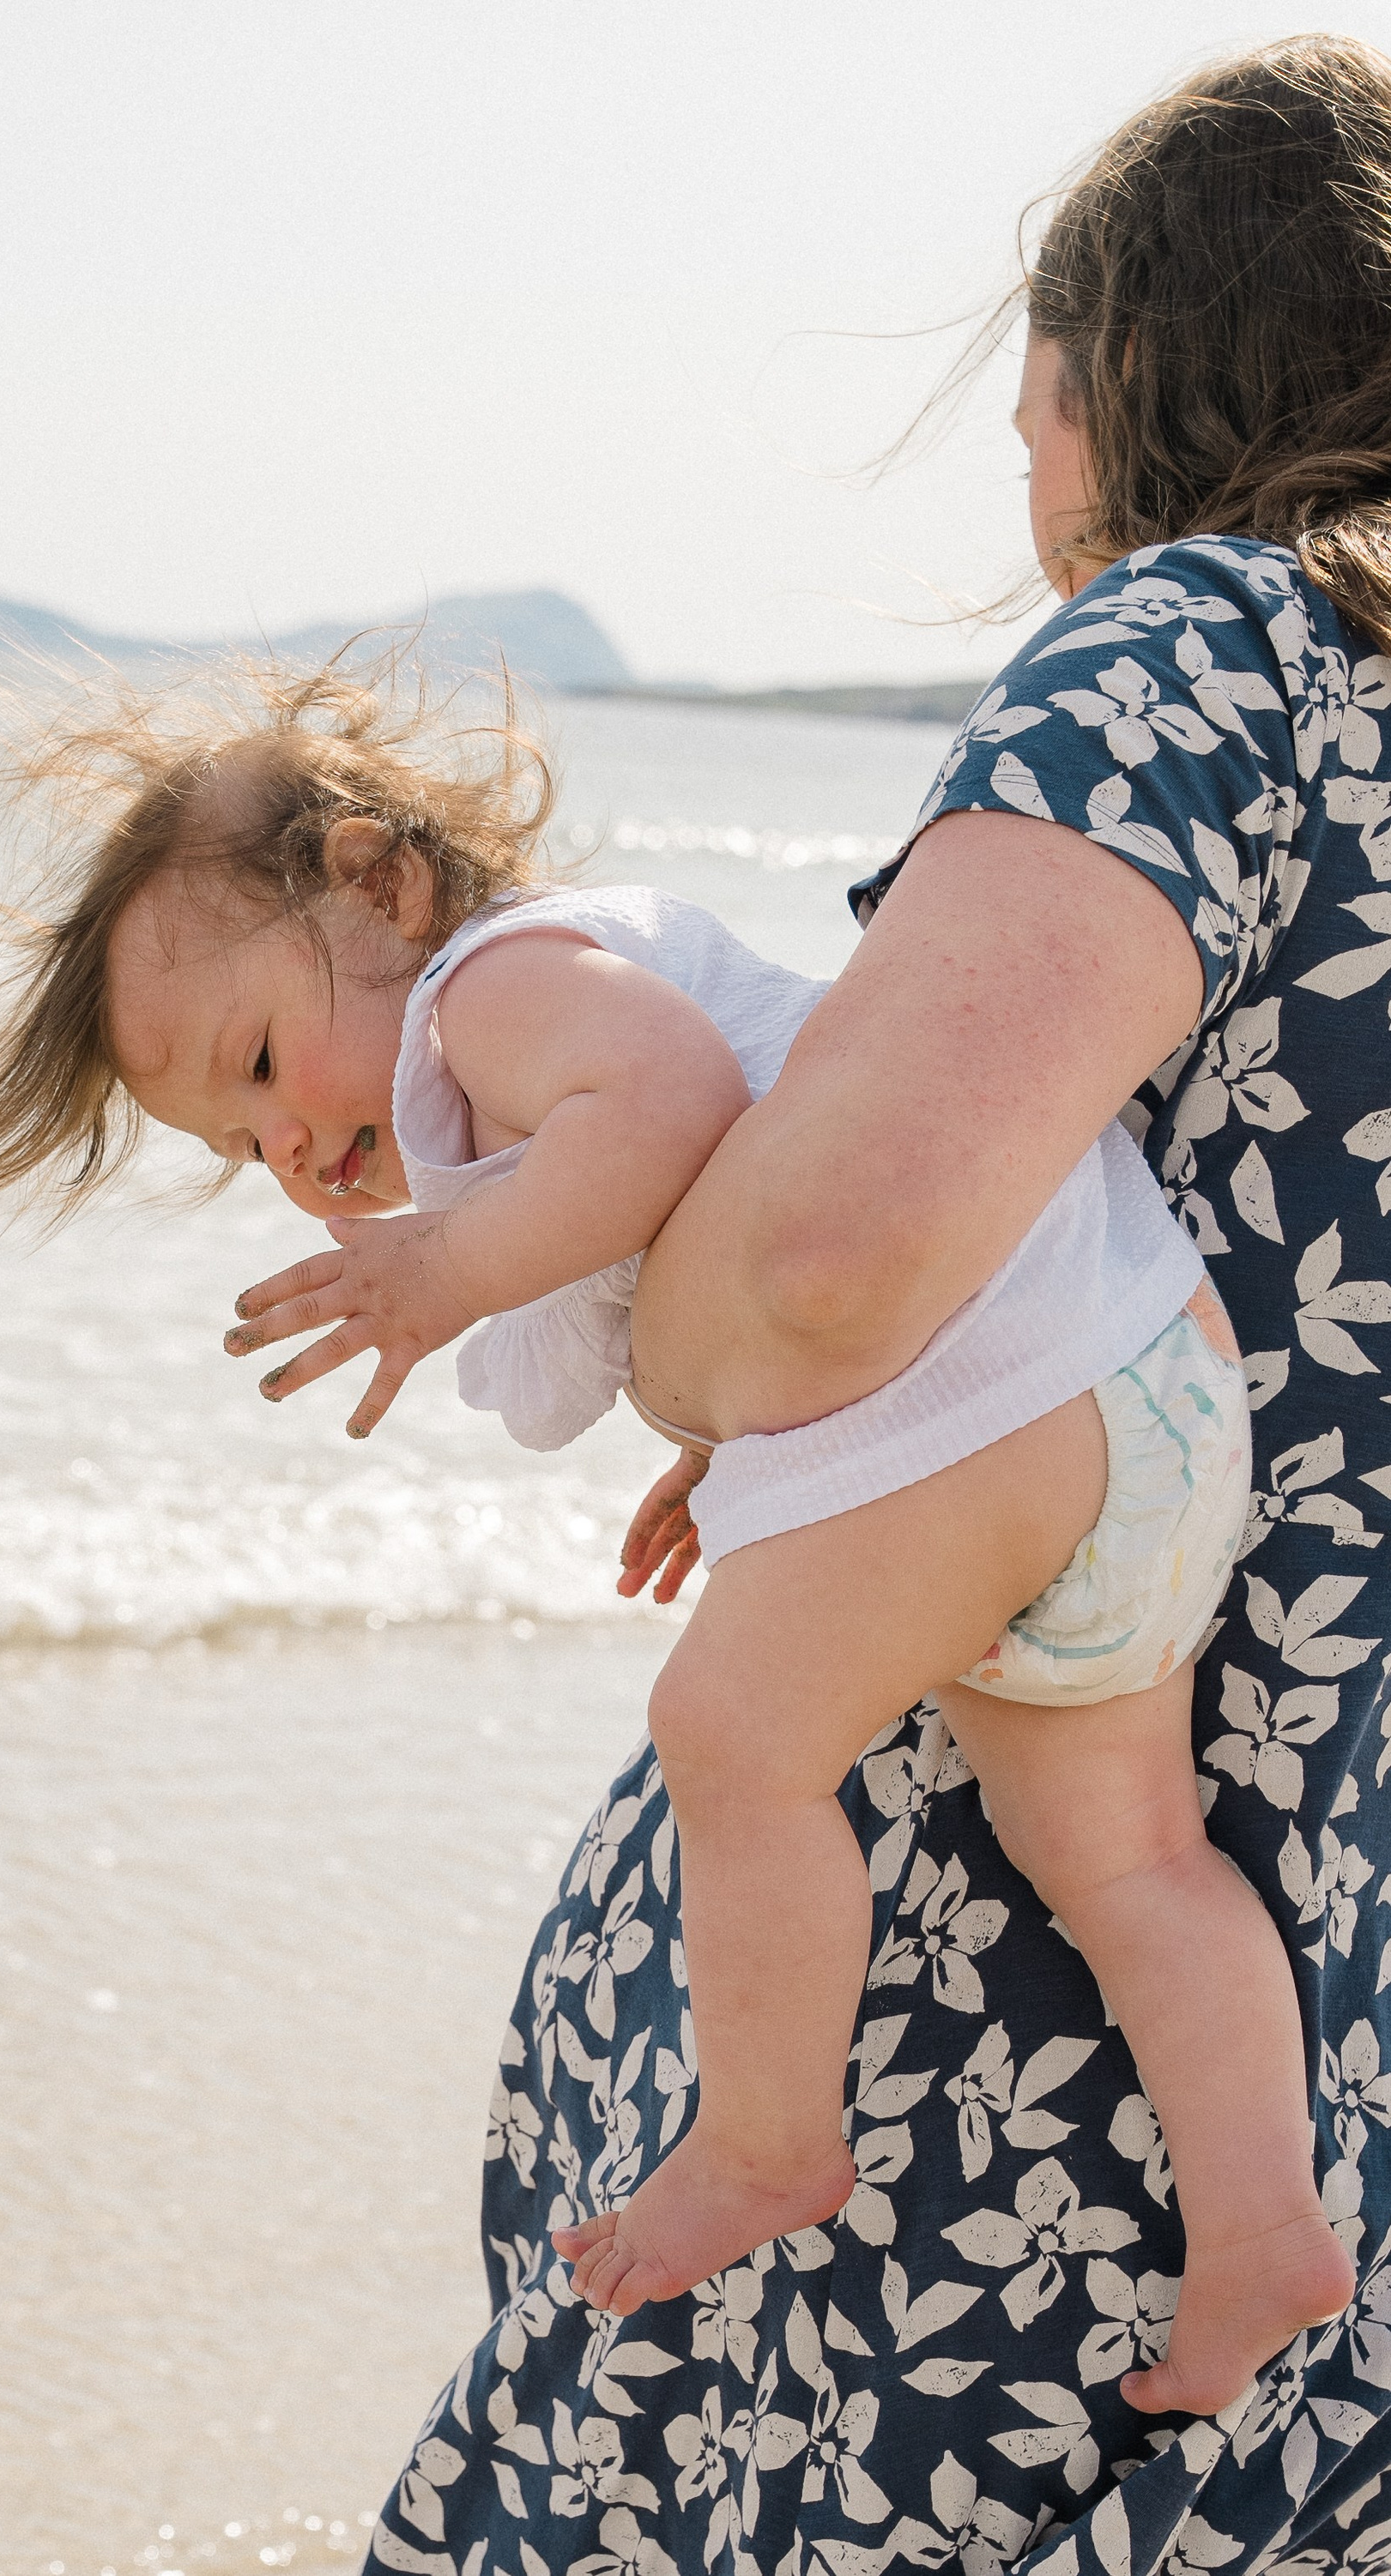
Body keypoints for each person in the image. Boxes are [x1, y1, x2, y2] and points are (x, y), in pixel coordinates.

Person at [341, 33, 1391, 2576]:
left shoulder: (1201, 644)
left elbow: (817, 1267)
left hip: (987, 2053)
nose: (1029, 479)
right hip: (1307, 1939)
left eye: (1034, 404)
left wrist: (697, 1355)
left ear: (1115, 380)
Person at [0, 624, 1339, 2414]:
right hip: (1112, 1407)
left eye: (262, 1056)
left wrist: (436, 1265)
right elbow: (742, 1244)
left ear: (377, 878)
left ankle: (762, 2142)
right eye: (235, 1140)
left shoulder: (494, 984)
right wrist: (736, 1458)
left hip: (1001, 1397)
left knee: (723, 1739)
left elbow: (668, 1111)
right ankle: (1263, 2227)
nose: (285, 1141)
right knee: (1126, 1859)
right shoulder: (499, 1025)